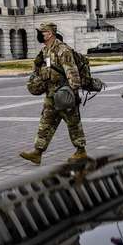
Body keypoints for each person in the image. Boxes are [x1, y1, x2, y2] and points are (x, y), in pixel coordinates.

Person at [20, 22, 87, 165]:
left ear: (49, 33)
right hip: (51, 94)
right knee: (46, 122)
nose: (40, 34)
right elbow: (43, 70)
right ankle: (37, 152)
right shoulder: (45, 51)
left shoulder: (62, 50)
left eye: (42, 32)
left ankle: (81, 151)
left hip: (64, 94)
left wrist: (72, 95)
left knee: (73, 123)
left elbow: (72, 72)